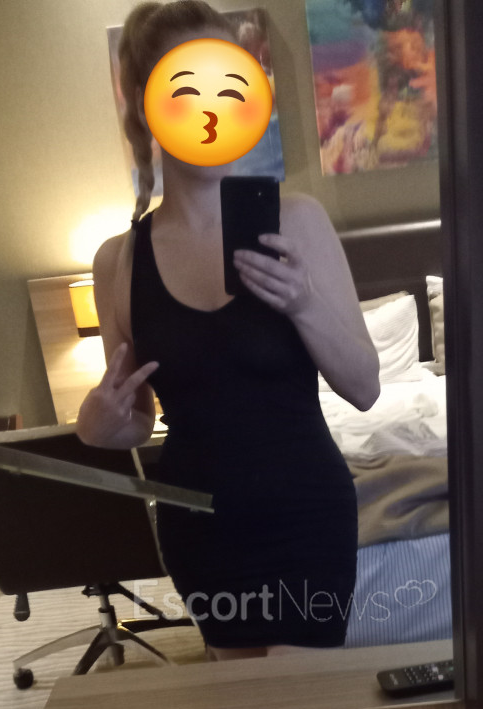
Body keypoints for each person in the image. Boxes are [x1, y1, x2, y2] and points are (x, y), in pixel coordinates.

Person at [77, 0, 380, 662]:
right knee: (243, 706)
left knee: (302, 698)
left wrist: (303, 303)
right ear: (146, 107)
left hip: (307, 514)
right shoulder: (118, 261)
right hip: (199, 525)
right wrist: (96, 426)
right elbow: (134, 418)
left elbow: (365, 388)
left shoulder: (298, 221)